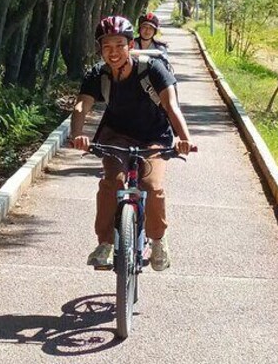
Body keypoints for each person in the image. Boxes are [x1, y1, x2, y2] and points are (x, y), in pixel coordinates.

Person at [70, 15, 194, 271]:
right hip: (116, 136)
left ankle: (158, 241)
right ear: (101, 49)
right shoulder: (99, 73)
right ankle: (105, 244)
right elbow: (82, 104)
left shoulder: (152, 69)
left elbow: (171, 106)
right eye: (107, 47)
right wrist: (77, 134)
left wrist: (184, 138)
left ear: (130, 45)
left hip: (154, 135)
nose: (113, 52)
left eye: (119, 45)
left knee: (151, 185)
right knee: (111, 183)